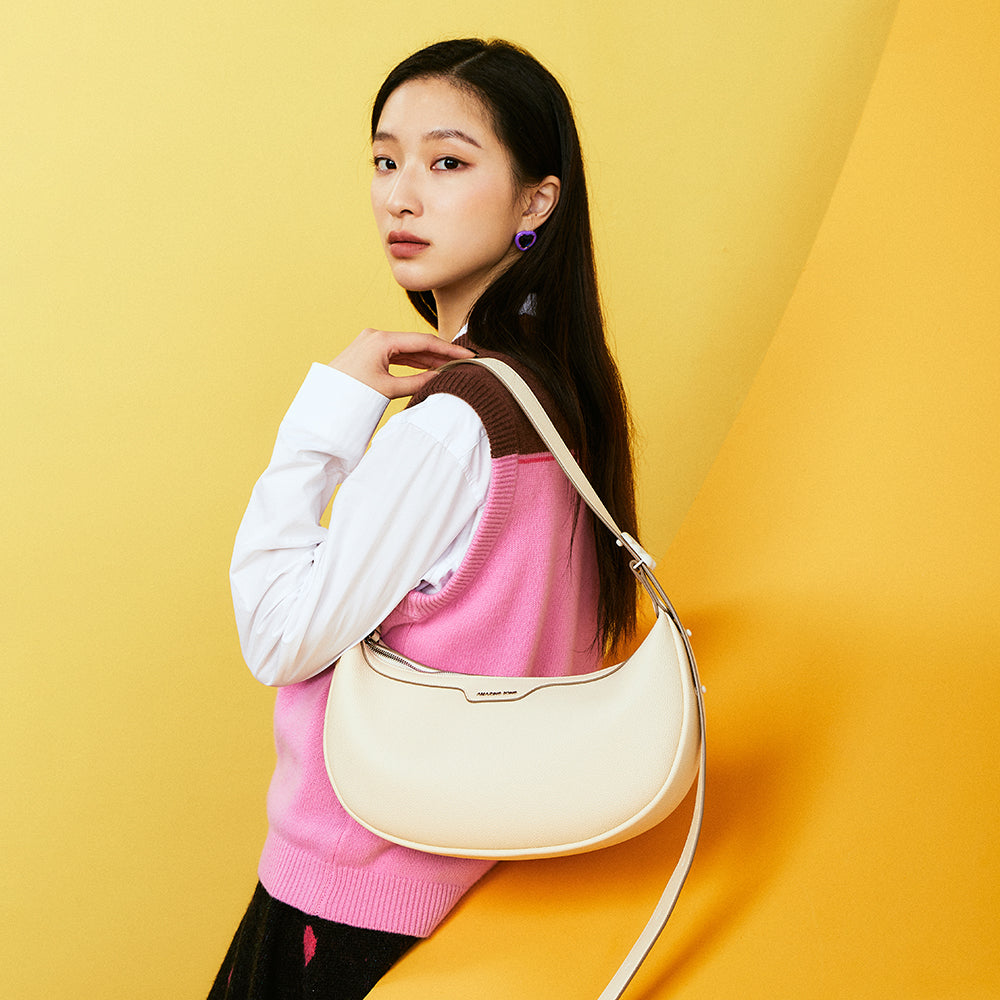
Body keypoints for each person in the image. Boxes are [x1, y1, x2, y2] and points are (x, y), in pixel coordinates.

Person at [210, 37, 639, 999]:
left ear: (538, 201)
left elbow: (277, 636)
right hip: (493, 881)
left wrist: (324, 418)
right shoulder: (560, 393)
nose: (400, 197)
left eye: (447, 163)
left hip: (357, 897)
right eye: (384, 160)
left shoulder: (452, 424)